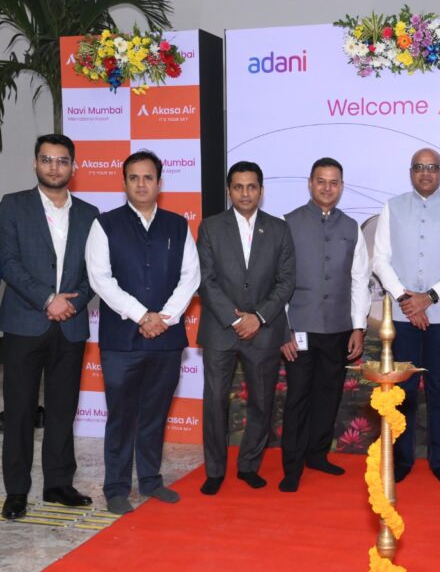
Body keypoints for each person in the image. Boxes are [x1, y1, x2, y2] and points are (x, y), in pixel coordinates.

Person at [85, 150, 200, 515]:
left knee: (155, 412)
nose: (141, 184)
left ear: (159, 183)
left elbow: (190, 276)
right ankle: (117, 487)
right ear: (124, 183)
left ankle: (150, 480)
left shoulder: (177, 225)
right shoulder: (105, 225)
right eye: (133, 178)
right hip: (121, 341)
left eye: (148, 177)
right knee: (121, 415)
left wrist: (162, 317)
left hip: (166, 339)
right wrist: (140, 315)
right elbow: (101, 279)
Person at [0, 134, 98, 520]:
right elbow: (7, 262)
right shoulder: (13, 206)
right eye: (47, 159)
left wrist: (72, 303)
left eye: (62, 161)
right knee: (21, 410)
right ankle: (17, 491)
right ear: (35, 164)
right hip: (25, 324)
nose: (54, 167)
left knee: (62, 410)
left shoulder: (91, 213)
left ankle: (58, 485)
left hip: (70, 327)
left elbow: (97, 272)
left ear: (74, 166)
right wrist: (47, 299)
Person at [372, 148, 440, 485]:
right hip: (402, 315)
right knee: (403, 390)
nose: (425, 173)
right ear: (410, 171)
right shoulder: (393, 207)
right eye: (419, 167)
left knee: (438, 386)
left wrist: (428, 298)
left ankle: (439, 460)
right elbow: (380, 260)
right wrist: (405, 298)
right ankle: (402, 460)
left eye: (432, 168)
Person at [197, 161, 295, 495]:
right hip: (220, 328)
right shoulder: (210, 227)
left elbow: (286, 281)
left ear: (261, 191)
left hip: (264, 330)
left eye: (251, 187)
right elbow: (205, 281)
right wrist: (236, 318)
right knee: (214, 400)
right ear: (229, 191)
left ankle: (249, 464)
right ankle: (214, 470)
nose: (245, 193)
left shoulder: (279, 229)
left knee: (262, 401)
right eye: (238, 187)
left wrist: (259, 317)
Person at [279, 158, 371, 492]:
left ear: (342, 186)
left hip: (337, 328)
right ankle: (292, 466)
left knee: (328, 394)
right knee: (298, 397)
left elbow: (360, 280)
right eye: (321, 181)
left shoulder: (351, 227)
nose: (327, 187)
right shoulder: (287, 224)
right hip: (299, 328)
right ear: (310, 183)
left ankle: (317, 455)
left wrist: (358, 327)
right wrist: (283, 328)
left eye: (334, 182)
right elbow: (280, 281)